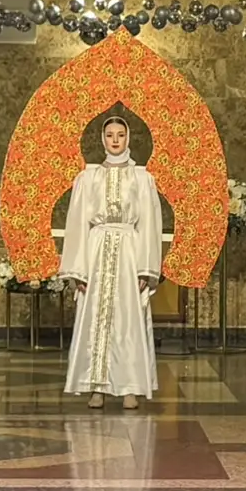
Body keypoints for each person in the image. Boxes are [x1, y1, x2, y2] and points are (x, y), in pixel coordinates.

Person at [60, 114, 163, 410]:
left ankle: (130, 386)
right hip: (96, 252)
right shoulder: (88, 178)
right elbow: (77, 223)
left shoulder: (141, 178)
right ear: (102, 139)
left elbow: (149, 224)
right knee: (96, 317)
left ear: (128, 137)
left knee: (128, 320)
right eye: (109, 135)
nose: (115, 140)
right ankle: (97, 386)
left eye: (120, 134)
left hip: (129, 252)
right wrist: (78, 269)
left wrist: (145, 267)